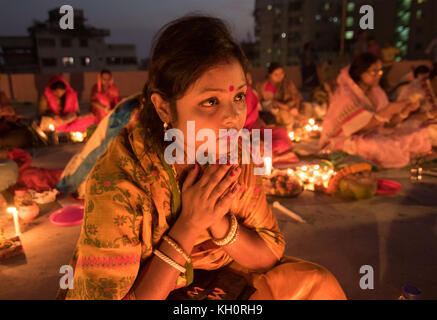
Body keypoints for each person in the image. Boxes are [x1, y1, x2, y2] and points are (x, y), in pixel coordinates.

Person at [57, 15, 346, 300]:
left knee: (316, 285)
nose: (233, 118)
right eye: (210, 101)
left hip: (225, 275)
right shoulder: (120, 181)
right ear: (164, 108)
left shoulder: (235, 155)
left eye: (239, 97)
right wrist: (190, 224)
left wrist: (218, 220)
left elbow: (268, 253)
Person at [320, 53, 431, 168]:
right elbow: (362, 127)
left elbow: (388, 125)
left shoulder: (377, 92)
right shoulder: (346, 95)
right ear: (360, 72)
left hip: (372, 134)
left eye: (380, 71)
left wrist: (404, 112)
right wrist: (390, 109)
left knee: (416, 133)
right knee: (375, 146)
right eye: (374, 72)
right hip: (343, 139)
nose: (378, 75)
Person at [259, 63, 302, 131]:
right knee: (285, 116)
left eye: (281, 73)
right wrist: (285, 107)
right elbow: (269, 103)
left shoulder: (287, 83)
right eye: (276, 74)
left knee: (308, 107)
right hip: (277, 110)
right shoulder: (267, 86)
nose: (280, 76)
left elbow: (297, 96)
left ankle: (296, 122)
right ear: (270, 75)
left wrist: (296, 107)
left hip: (291, 107)